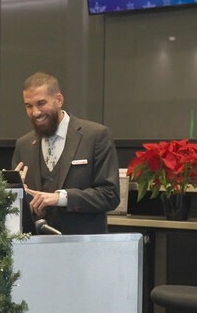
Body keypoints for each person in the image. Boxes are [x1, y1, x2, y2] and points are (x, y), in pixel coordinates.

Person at [12, 72, 120, 235]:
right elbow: (14, 209)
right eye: (29, 106)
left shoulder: (96, 136)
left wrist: (60, 198)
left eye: (41, 103)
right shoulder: (23, 145)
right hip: (37, 249)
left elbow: (109, 195)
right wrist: (19, 196)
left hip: (84, 248)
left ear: (59, 100)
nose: (35, 112)